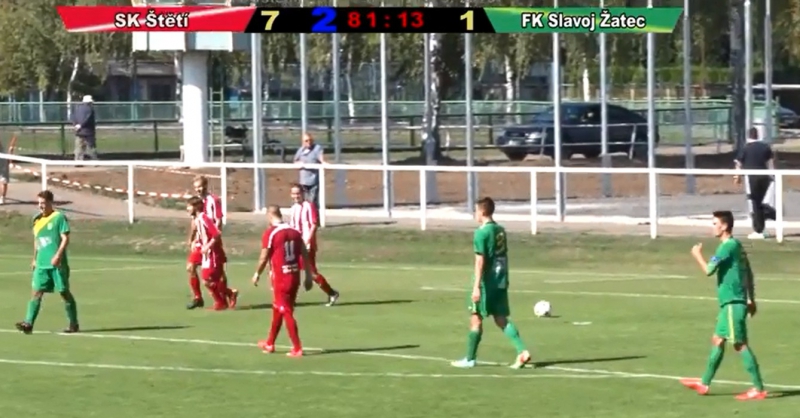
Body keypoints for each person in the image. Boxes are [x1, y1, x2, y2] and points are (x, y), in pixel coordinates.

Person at [680, 210, 767, 400]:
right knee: (718, 340)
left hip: (732, 304)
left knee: (739, 344)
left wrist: (697, 254)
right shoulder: (737, 246)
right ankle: (704, 383)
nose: (712, 227)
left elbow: (709, 270)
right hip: (731, 304)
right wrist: (751, 298)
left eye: (714, 223)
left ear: (724, 226)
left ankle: (759, 388)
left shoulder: (726, 247)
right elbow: (748, 272)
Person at [451, 197, 531, 369]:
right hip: (500, 279)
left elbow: (480, 260)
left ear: (482, 211)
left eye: (476, 211)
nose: (475, 214)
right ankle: (522, 350)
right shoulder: (500, 230)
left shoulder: (481, 233)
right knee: (501, 318)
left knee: (476, 317)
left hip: (486, 282)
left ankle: (470, 359)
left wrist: (476, 287)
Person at [252, 205, 315, 357]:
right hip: (294, 276)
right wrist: (308, 275)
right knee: (278, 309)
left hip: (281, 278)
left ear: (269, 215)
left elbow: (264, 256)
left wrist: (257, 273)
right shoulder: (295, 232)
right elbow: (305, 254)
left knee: (285, 310)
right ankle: (270, 343)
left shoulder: (271, 233)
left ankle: (297, 347)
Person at [15, 190, 80, 334]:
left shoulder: (58, 217)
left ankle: (73, 323)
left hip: (57, 264)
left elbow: (65, 239)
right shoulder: (36, 219)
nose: (41, 206)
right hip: (41, 263)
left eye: (43, 203)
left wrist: (58, 255)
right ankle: (28, 323)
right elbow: (37, 241)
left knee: (64, 292)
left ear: (51, 202)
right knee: (36, 292)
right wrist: (34, 258)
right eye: (39, 203)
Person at [185, 175, 238, 310]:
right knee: (191, 267)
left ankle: (225, 296)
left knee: (217, 274)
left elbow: (218, 221)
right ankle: (198, 298)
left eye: (200, 187)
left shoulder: (213, 201)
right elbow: (195, 223)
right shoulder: (196, 202)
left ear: (206, 186)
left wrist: (214, 240)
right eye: (196, 187)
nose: (198, 189)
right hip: (200, 242)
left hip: (212, 241)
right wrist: (192, 239)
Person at [289, 183, 339, 306]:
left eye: (298, 193)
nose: (296, 196)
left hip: (307, 246)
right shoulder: (293, 208)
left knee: (311, 273)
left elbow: (314, 224)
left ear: (303, 194)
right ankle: (290, 299)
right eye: (293, 193)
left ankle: (332, 293)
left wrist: (307, 241)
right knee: (291, 271)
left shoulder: (309, 206)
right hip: (295, 245)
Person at [186, 196, 228, 310]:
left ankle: (223, 300)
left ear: (196, 207)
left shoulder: (204, 218)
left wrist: (208, 246)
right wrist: (194, 241)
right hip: (206, 253)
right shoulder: (198, 219)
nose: (187, 209)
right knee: (208, 279)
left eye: (189, 206)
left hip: (212, 253)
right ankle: (222, 300)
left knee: (209, 279)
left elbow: (216, 234)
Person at [734, 127, 775, 240]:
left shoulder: (746, 148)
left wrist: (737, 177)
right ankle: (763, 225)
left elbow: (738, 163)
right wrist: (772, 176)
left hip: (751, 178)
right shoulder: (765, 147)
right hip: (765, 178)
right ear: (758, 135)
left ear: (748, 136)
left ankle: (758, 230)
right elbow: (770, 164)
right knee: (761, 202)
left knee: (755, 204)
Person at [293, 133, 324, 208]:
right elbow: (295, 161)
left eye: (310, 140)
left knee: (312, 202)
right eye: (306, 141)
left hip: (314, 181)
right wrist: (299, 163)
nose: (308, 142)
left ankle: (314, 215)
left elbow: (321, 159)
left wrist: (325, 163)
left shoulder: (317, 148)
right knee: (303, 202)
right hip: (303, 181)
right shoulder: (301, 150)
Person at [71, 95, 97, 161]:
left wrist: (75, 125)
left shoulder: (77, 108)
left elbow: (73, 117)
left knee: (78, 148)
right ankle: (94, 161)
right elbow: (87, 119)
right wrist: (81, 125)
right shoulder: (90, 109)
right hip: (88, 132)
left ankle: (78, 161)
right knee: (91, 147)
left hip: (79, 131)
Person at [0, 135, 16, 205]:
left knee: (3, 180)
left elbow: (11, 148)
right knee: (3, 180)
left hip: (3, 162)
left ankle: (2, 198)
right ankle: (2, 197)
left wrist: (10, 161)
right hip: (3, 161)